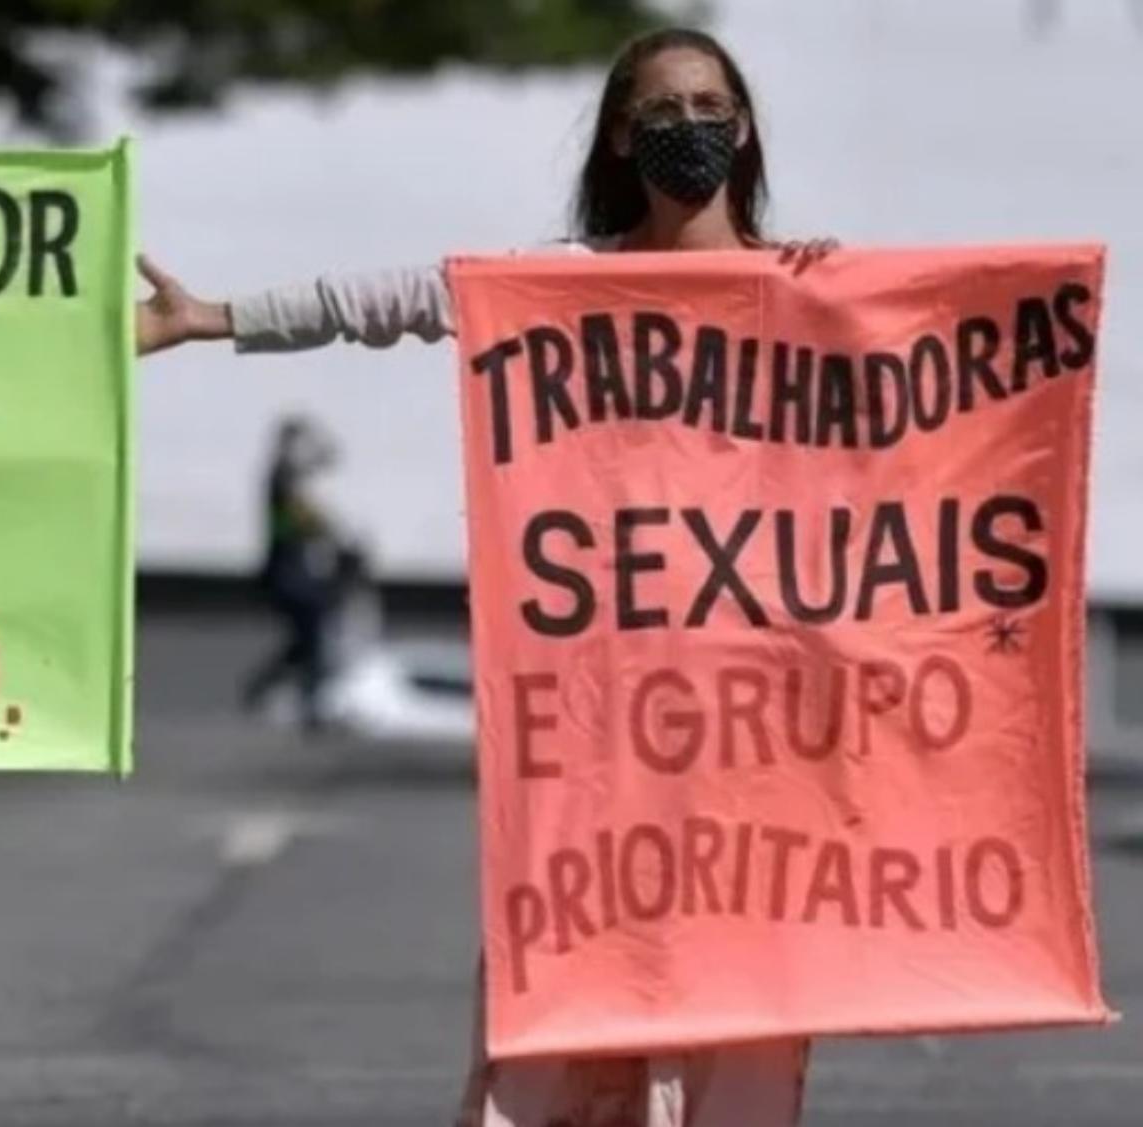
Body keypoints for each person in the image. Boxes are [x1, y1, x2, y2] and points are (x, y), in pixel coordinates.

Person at [132, 26, 832, 1127]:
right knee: (561, 997)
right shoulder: (564, 290)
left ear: (741, 128)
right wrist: (209, 318)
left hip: (751, 738)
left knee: (735, 1028)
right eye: (659, 111)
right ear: (616, 137)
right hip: (600, 726)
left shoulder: (816, 295)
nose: (686, 130)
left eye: (707, 106)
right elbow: (397, 302)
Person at [241, 415, 344, 729]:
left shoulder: (285, 475)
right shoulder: (281, 477)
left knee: (306, 639)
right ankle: (308, 704)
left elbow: (326, 460)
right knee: (312, 637)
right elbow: (300, 517)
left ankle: (265, 689)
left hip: (289, 571)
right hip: (288, 573)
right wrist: (326, 529)